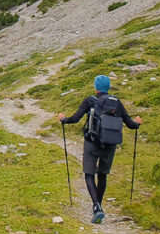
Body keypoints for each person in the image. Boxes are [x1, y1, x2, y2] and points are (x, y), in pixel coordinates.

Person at [58, 74, 141, 224]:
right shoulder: (117, 103)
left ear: (96, 87)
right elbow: (130, 124)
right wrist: (137, 123)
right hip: (110, 144)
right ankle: (99, 205)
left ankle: (96, 207)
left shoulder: (90, 100)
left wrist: (63, 119)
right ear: (108, 87)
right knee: (102, 175)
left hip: (92, 142)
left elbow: (75, 119)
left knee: (89, 174)